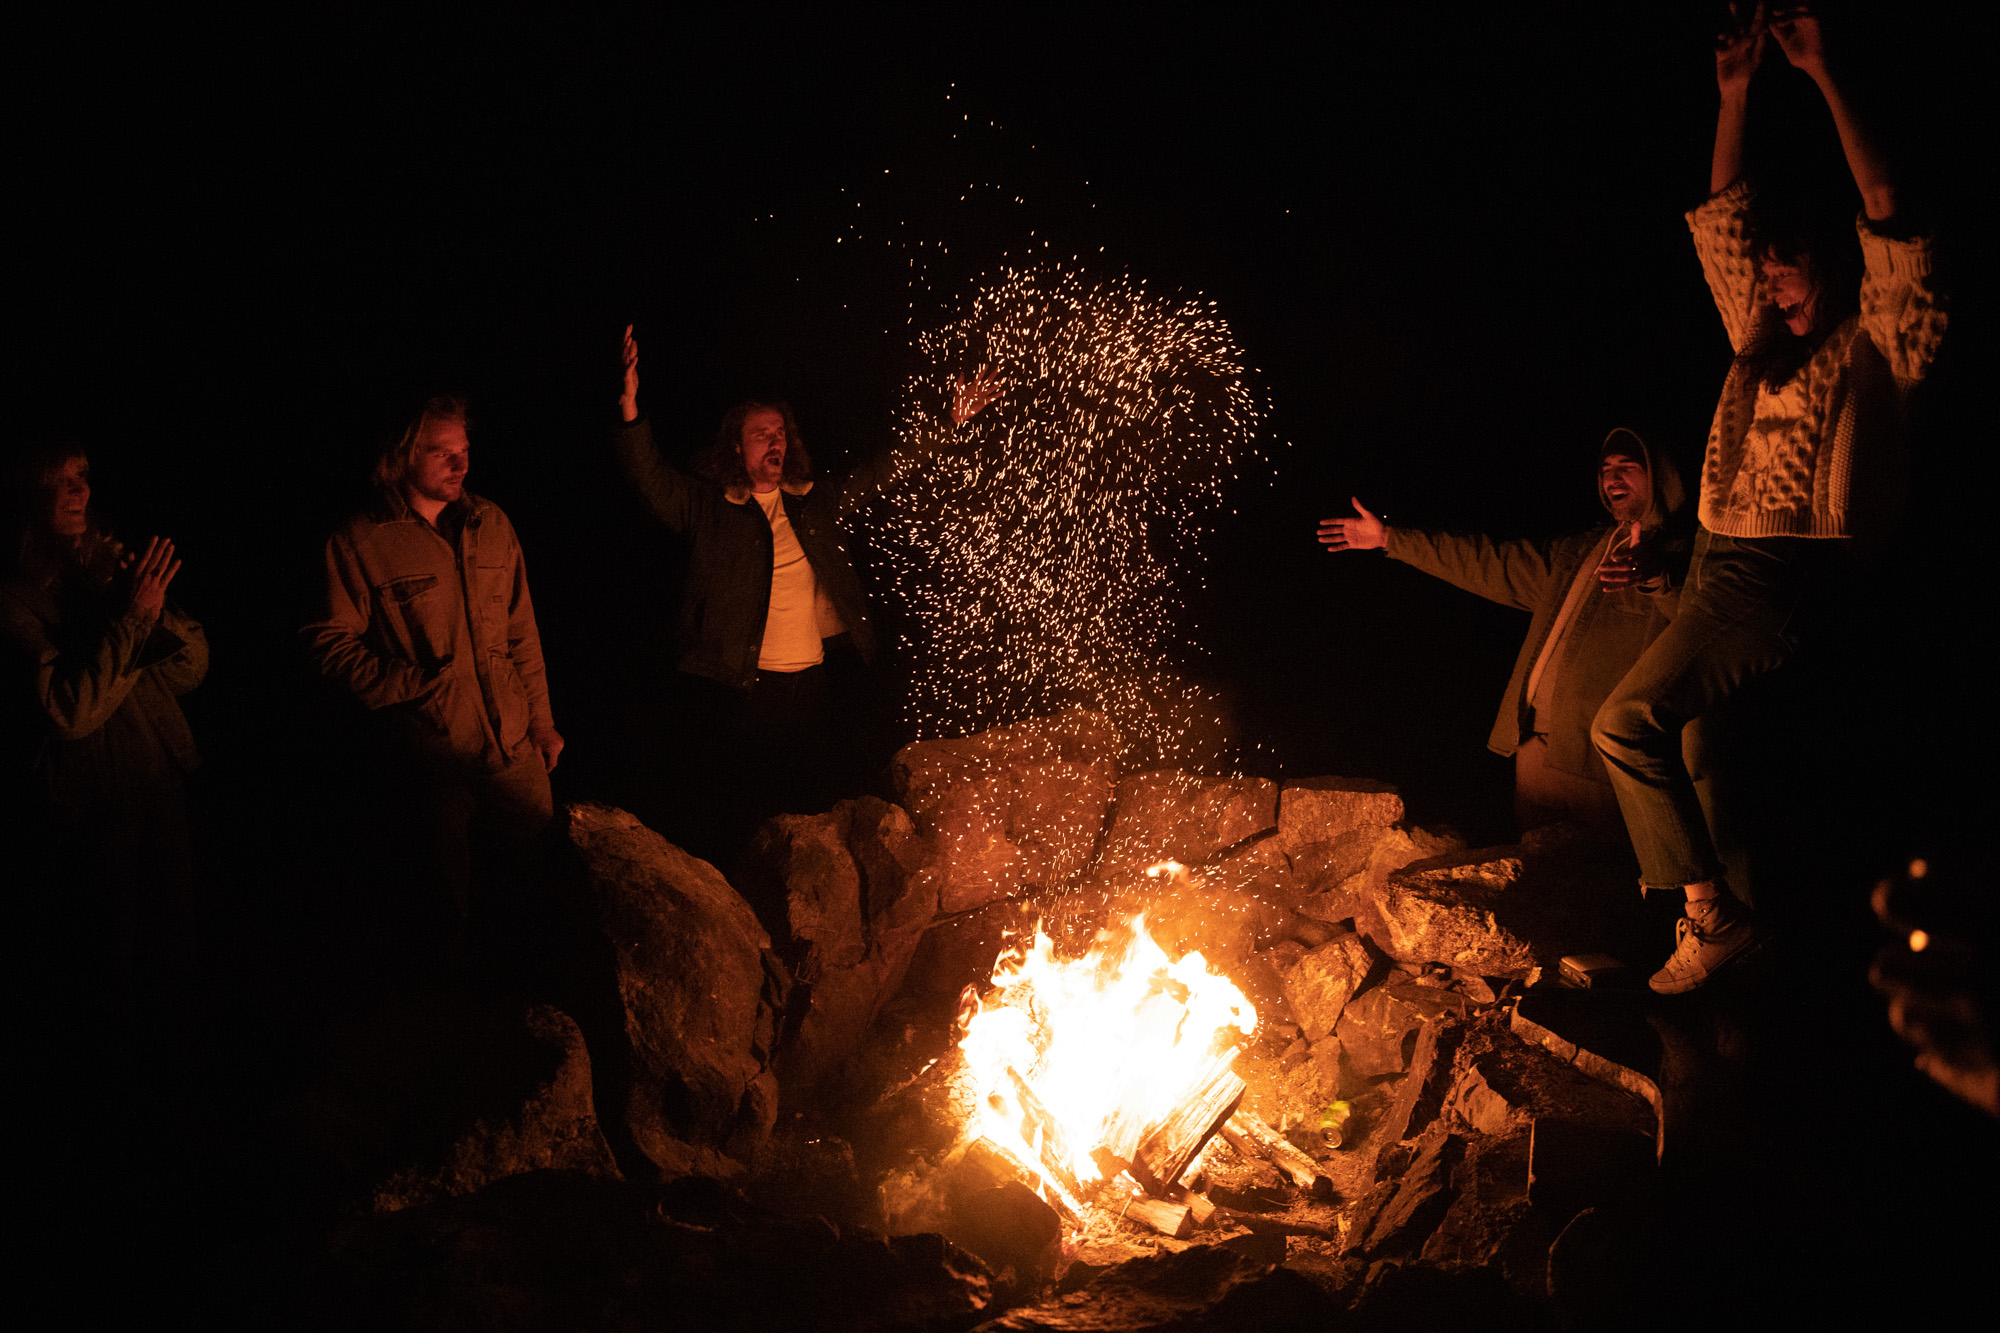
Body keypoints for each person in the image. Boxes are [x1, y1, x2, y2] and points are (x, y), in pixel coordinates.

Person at [1591, 4, 1946, 994]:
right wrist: (1734, 92)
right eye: (1766, 285)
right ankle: (1743, 963)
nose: (1770, 292)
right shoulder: (1757, 345)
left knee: (1623, 724)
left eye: (1788, 283)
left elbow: (1883, 198)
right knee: (1702, 755)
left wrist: (1823, 72)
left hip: (1777, 571)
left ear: (1831, 276)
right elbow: (1722, 221)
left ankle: (1709, 917)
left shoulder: (1881, 346)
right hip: (1716, 565)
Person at [612, 325, 999, 853]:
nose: (775, 442)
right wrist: (630, 409)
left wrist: (950, 422)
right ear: (736, 445)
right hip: (744, 691)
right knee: (747, 819)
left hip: (812, 686)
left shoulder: (812, 501)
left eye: (780, 433)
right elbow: (649, 477)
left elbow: (883, 470)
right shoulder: (709, 508)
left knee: (814, 815)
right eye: (761, 434)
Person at [303, 393, 563, 974]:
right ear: (401, 456)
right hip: (431, 758)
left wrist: (542, 723)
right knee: (445, 911)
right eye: (442, 452)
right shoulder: (362, 540)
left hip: (514, 746)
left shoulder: (491, 524)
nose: (460, 464)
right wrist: (417, 687)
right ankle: (448, 1017)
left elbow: (521, 631)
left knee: (539, 885)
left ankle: (538, 1001)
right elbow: (326, 643)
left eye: (464, 450)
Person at [1319, 429, 1689, 835]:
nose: (1613, 478)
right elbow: (1489, 564)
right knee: (1535, 884)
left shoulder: (1685, 557)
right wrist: (1391, 539)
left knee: (1601, 886)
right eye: (1607, 469)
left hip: (1602, 764)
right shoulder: (1580, 550)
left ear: (1659, 476)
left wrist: (1654, 574)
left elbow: (1697, 624)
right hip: (1533, 752)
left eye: (1629, 468)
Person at [0, 444, 207, 1003]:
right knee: (110, 959)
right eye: (60, 480)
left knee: (176, 946)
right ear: (26, 492)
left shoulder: (103, 567)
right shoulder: (13, 601)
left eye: (82, 476)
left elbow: (190, 673)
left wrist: (152, 607)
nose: (79, 490)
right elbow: (66, 713)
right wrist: (133, 615)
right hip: (92, 804)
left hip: (160, 783)